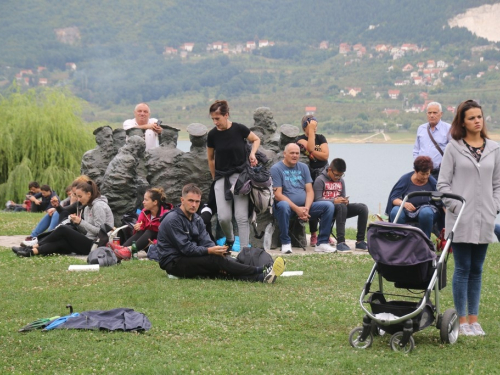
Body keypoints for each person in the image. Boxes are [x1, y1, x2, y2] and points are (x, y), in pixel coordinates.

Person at [437, 99, 500, 336]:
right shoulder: (453, 147)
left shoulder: (494, 148)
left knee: (478, 269)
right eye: (471, 117)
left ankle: (474, 319)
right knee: (462, 268)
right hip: (460, 218)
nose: (477, 121)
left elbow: (498, 184)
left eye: (479, 117)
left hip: (485, 218)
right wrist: (456, 208)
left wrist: (495, 206)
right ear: (462, 122)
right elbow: (443, 184)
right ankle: (461, 321)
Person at [156, 183, 285, 283]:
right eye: (190, 201)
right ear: (182, 200)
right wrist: (210, 251)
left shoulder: (196, 218)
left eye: (197, 201)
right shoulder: (172, 220)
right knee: (215, 261)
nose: (194, 205)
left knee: (219, 269)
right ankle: (259, 269)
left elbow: (206, 241)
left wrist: (217, 250)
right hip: (174, 262)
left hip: (189, 258)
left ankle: (261, 278)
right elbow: (186, 249)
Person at [206, 100, 261, 251]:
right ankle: (230, 239)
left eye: (217, 118)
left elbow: (256, 139)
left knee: (241, 217)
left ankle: (245, 251)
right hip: (221, 178)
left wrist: (252, 153)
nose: (215, 122)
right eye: (213, 119)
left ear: (226, 115)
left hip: (240, 178)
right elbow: (210, 158)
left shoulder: (239, 129)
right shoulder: (212, 135)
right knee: (223, 217)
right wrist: (214, 177)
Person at [13, 180, 114, 257]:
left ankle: (33, 246)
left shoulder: (98, 206)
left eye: (80, 196)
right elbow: (87, 231)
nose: (78, 199)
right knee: (61, 242)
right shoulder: (88, 207)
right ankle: (31, 252)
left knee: (63, 229)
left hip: (96, 246)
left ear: (89, 194)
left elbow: (100, 232)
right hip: (88, 241)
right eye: (76, 196)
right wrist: (76, 223)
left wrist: (80, 222)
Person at [271, 143, 336, 254]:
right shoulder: (276, 169)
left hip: (304, 208)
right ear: (284, 154)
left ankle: (322, 243)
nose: (295, 155)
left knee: (328, 206)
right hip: (286, 208)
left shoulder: (303, 167)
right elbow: (278, 195)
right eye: (292, 153)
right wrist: (297, 209)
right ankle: (285, 242)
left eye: (297, 153)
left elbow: (310, 191)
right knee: (283, 205)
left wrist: (306, 208)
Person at [313, 158, 369, 252]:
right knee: (341, 206)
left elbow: (342, 196)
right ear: (330, 170)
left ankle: (360, 241)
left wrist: (345, 201)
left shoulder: (341, 181)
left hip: (341, 209)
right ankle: (341, 242)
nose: (338, 177)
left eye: (341, 175)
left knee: (363, 208)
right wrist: (333, 201)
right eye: (336, 175)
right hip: (328, 210)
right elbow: (317, 200)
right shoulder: (320, 180)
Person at [385, 156, 443, 239]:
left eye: (427, 174)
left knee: (426, 213)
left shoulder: (432, 182)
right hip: (407, 209)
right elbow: (393, 198)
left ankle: (425, 241)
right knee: (395, 211)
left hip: (427, 208)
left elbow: (442, 200)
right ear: (416, 171)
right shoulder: (405, 179)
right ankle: (399, 239)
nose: (425, 177)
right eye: (422, 174)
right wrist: (403, 203)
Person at [296, 115, 332, 246]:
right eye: (312, 127)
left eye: (316, 127)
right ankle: (313, 234)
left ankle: (326, 234)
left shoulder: (321, 137)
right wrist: (310, 132)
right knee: (314, 201)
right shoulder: (300, 139)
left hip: (324, 172)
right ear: (305, 126)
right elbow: (310, 147)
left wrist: (313, 153)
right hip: (310, 173)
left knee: (327, 201)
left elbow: (325, 155)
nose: (315, 129)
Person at [413, 102, 451, 180]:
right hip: (422, 173)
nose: (432, 115)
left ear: (441, 114)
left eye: (435, 113)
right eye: (429, 113)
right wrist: (416, 166)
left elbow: (453, 151)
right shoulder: (421, 128)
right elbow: (416, 150)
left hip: (440, 173)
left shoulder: (448, 129)